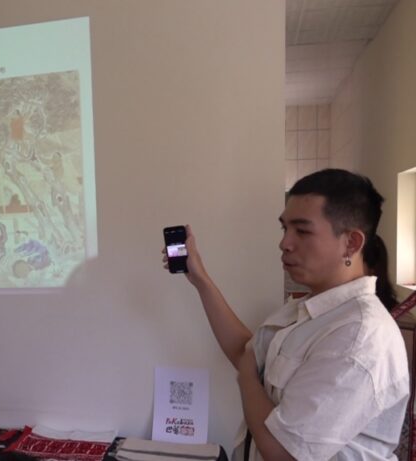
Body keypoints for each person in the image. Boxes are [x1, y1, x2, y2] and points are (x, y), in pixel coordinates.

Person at [165, 169, 409, 460]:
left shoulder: (359, 336)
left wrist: (246, 377)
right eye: (285, 229)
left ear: (351, 243)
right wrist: (200, 280)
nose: (285, 243)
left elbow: (283, 452)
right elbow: (247, 352)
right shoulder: (309, 309)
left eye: (302, 231)